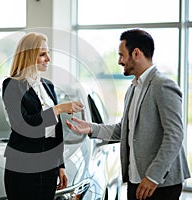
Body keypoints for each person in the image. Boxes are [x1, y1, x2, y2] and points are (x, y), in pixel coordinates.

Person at [66, 29, 190, 200]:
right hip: (135, 181)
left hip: (159, 183)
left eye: (121, 55)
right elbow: (124, 130)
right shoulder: (133, 88)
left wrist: (153, 177)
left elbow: (174, 135)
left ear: (136, 53)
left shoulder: (162, 85)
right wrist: (91, 128)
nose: (119, 61)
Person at [2, 32, 84, 200]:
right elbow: (22, 125)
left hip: (49, 165)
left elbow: (55, 130)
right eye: (42, 54)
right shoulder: (12, 84)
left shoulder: (48, 85)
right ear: (28, 56)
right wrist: (58, 109)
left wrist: (60, 165)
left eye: (48, 53)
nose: (48, 58)